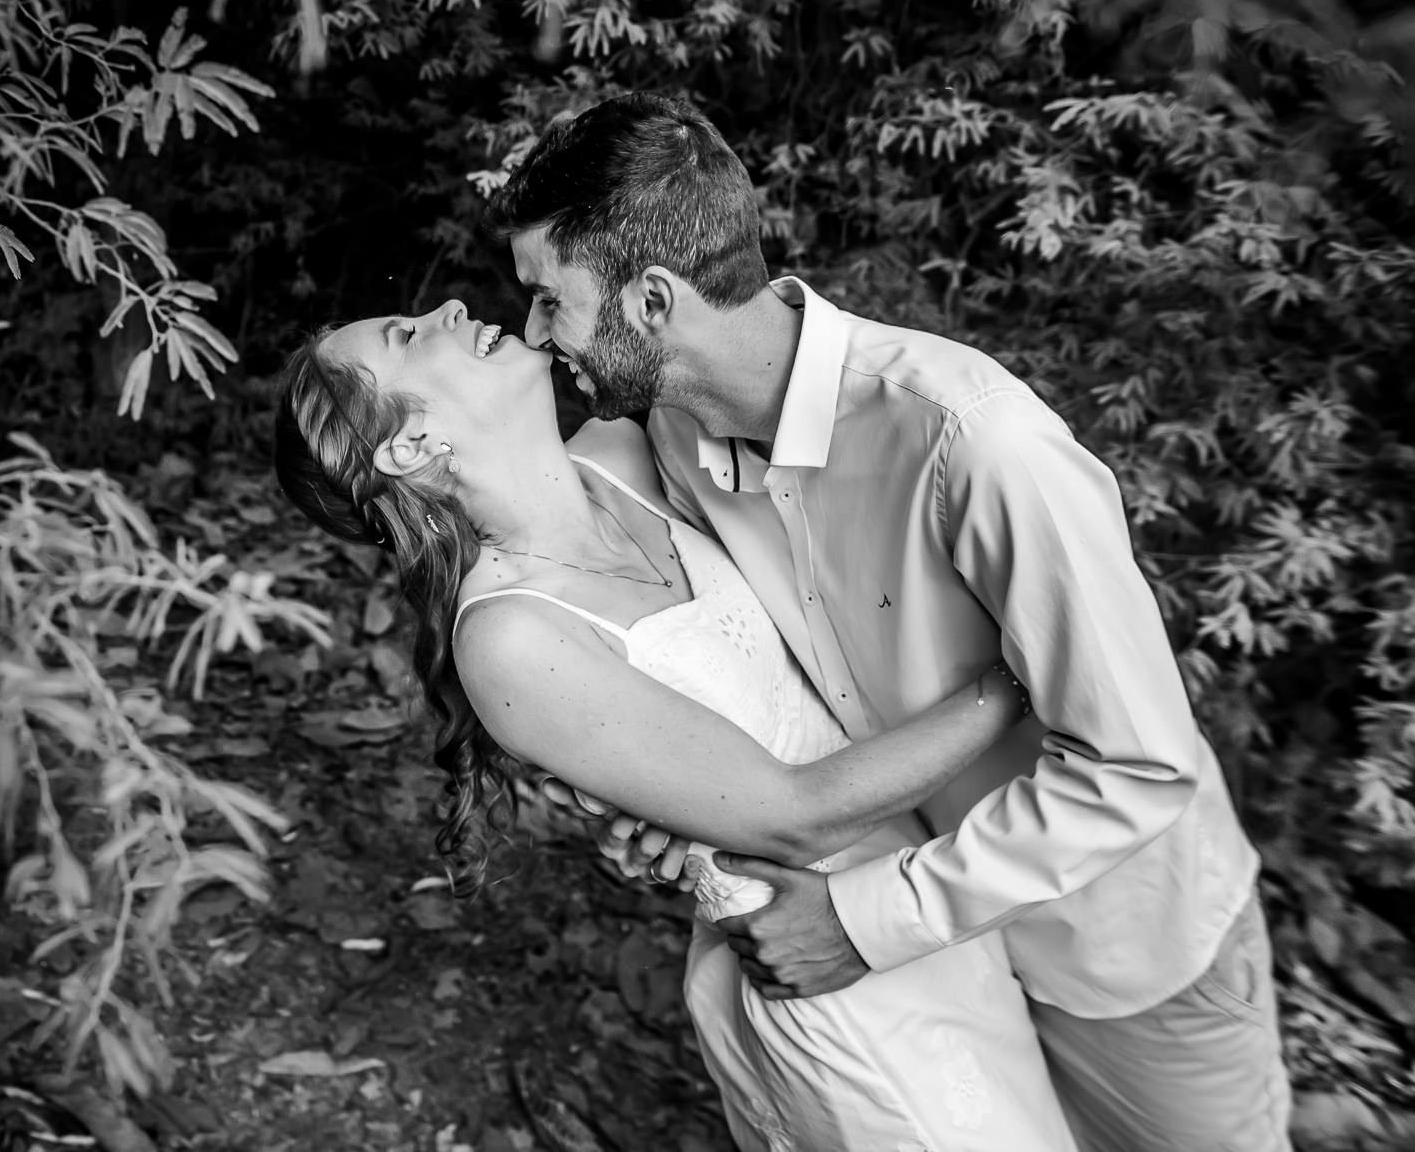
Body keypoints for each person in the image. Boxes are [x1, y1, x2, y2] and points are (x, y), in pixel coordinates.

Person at [488, 91, 1291, 1152]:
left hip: (1119, 949)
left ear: (649, 299)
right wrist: (690, 797)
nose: (532, 332)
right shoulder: (678, 439)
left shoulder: (976, 443)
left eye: (548, 298)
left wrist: (864, 924)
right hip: (939, 970)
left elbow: (1138, 762)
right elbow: (768, 665)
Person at [273, 302, 1082, 1150]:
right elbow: (789, 811)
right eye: (406, 336)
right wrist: (1028, 662)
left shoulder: (630, 452)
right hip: (832, 970)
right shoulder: (508, 637)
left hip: (932, 892)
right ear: (408, 447)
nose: (445, 308)